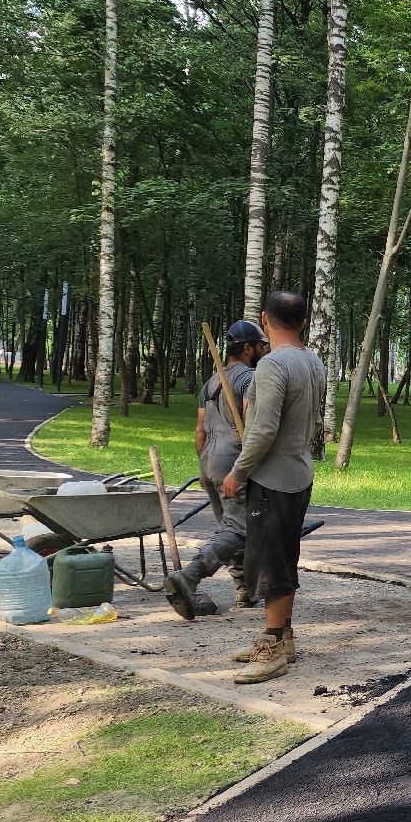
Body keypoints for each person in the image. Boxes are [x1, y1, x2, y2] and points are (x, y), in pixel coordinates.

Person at [220, 291, 326, 684]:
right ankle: (284, 637)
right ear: (303, 319)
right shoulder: (313, 361)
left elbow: (262, 430)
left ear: (265, 319)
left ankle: (271, 648)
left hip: (273, 479)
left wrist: (237, 472)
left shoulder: (272, 365)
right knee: (285, 556)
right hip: (300, 472)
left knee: (269, 564)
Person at [163, 320, 265, 619]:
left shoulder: (211, 382)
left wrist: (205, 468)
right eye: (260, 346)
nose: (262, 351)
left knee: (231, 529)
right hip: (233, 458)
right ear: (248, 349)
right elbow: (252, 422)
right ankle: (189, 577)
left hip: (209, 460)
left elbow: (199, 431)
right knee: (239, 528)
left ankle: (244, 590)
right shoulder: (249, 378)